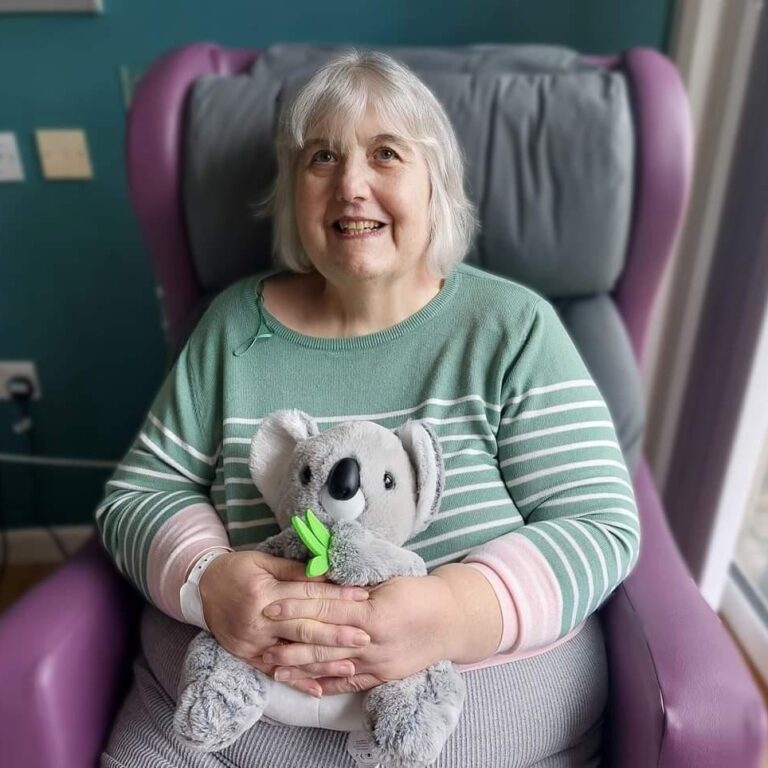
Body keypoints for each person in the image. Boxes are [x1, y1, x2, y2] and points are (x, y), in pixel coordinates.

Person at [97, 48, 639, 768]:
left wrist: (451, 612)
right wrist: (209, 581)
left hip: (461, 729)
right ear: (294, 192)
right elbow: (139, 495)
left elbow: (600, 525)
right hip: (222, 731)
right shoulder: (231, 330)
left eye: (386, 154)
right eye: (322, 158)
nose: (351, 186)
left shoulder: (512, 328)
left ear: (436, 185)